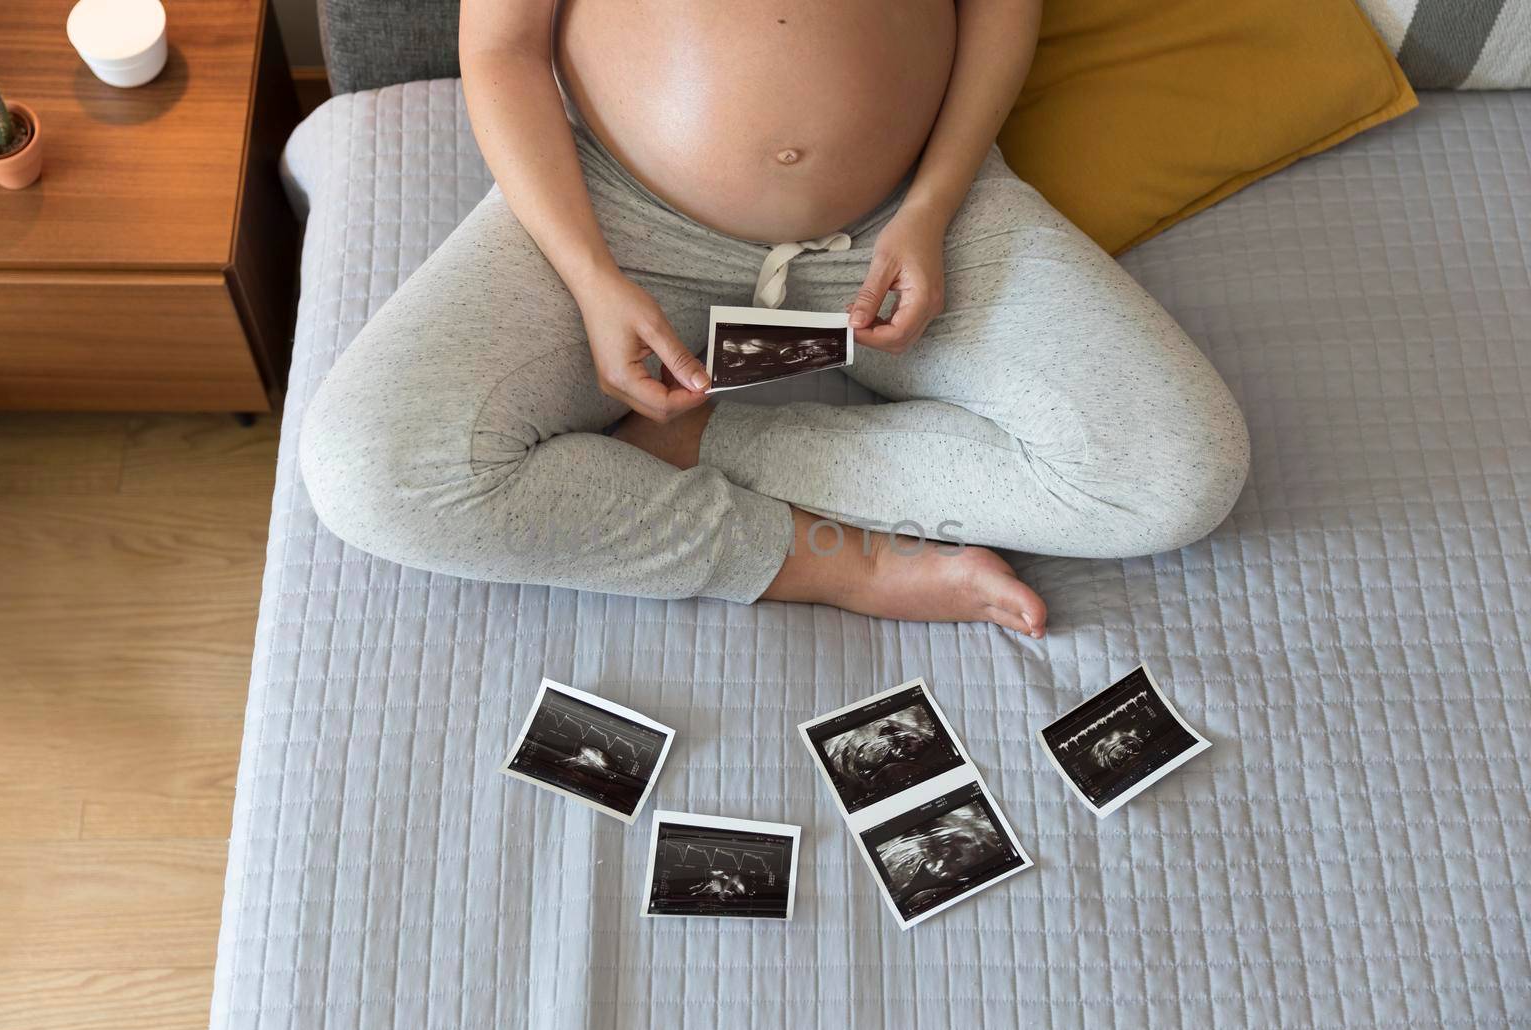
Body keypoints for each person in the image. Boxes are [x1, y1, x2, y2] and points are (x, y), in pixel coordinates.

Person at [300, 0, 1251, 637]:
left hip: (911, 220)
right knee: (369, 469)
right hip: (623, 220)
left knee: (1176, 473)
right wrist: (591, 278)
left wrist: (930, 207)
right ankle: (829, 563)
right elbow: (501, 48)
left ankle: (712, 439)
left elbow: (1003, 8)